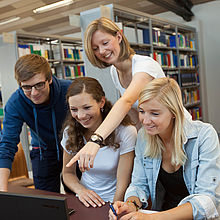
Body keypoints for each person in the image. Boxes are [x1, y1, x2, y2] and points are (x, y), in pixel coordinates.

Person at [109, 77, 220, 220]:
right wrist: (131, 204)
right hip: (161, 214)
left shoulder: (204, 135)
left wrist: (152, 218)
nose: (145, 121)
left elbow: (207, 201)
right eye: (142, 111)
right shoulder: (144, 136)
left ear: (174, 112)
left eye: (155, 113)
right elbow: (139, 184)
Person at [66, 17, 166, 171]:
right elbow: (133, 111)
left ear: (119, 37)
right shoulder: (115, 71)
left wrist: (95, 140)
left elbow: (126, 102)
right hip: (153, 137)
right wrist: (133, 143)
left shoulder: (144, 66)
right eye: (95, 48)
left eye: (105, 43)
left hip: (173, 133)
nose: (102, 51)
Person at [0, 54, 72, 192]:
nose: (34, 93)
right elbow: (7, 145)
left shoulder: (69, 90)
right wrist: (2, 191)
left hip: (74, 147)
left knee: (78, 197)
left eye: (39, 85)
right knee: (46, 201)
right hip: (43, 151)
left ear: (49, 79)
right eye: (26, 87)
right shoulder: (15, 103)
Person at [61, 77, 137, 208]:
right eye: (74, 109)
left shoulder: (126, 132)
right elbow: (68, 173)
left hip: (115, 201)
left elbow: (123, 182)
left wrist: (113, 208)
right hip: (84, 200)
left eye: (86, 107)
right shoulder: (70, 132)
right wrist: (81, 191)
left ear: (101, 102)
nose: (81, 115)